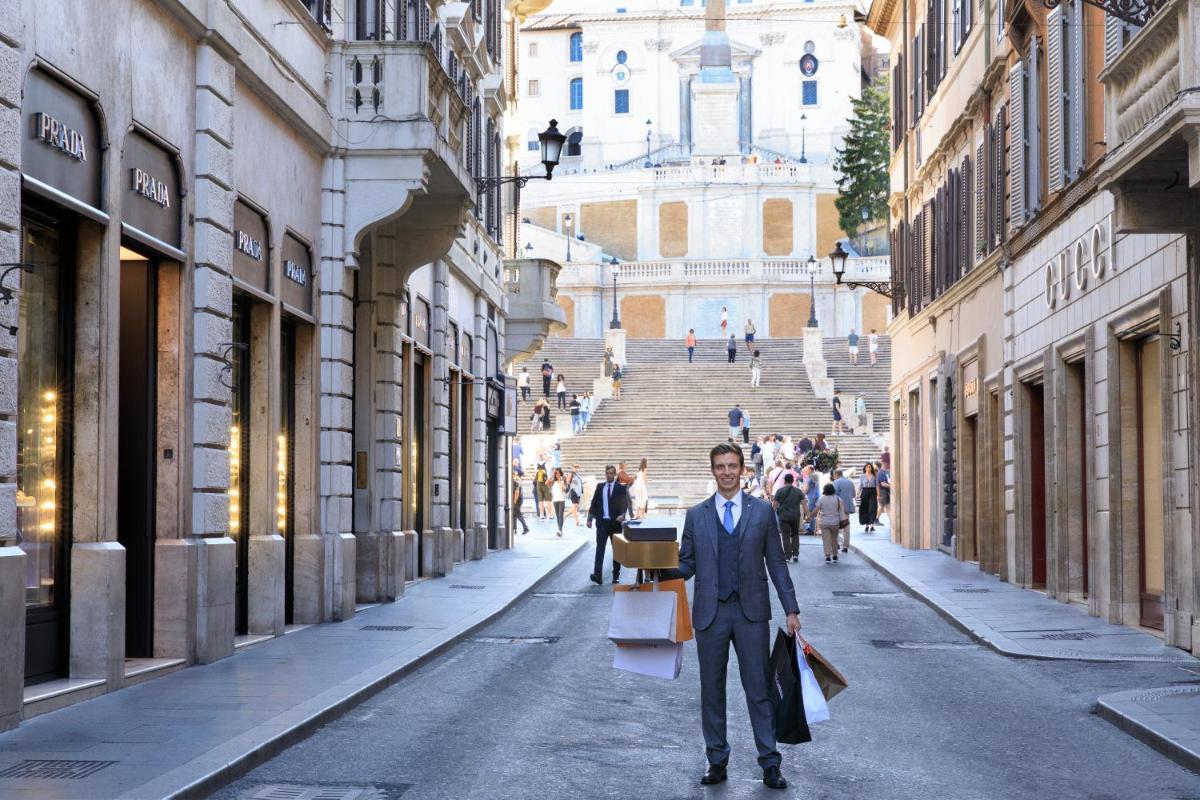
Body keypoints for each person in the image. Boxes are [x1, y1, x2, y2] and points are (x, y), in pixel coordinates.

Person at [661, 442, 800, 790]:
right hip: (711, 615)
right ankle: (717, 761)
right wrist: (657, 570)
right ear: (713, 471)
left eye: (732, 465)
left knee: (759, 690)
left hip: (752, 614)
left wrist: (791, 608)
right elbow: (688, 563)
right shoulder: (696, 515)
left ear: (742, 469)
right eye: (720, 466)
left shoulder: (763, 512)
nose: (726, 472)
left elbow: (777, 562)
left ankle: (770, 763)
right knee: (712, 691)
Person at [586, 464, 629, 584]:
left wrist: (622, 515)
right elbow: (594, 503)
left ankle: (616, 575)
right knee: (600, 549)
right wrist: (589, 519)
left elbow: (624, 503)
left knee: (617, 551)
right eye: (607, 473)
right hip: (602, 524)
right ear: (605, 474)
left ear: (614, 475)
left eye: (611, 473)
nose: (609, 475)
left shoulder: (620, 488)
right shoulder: (600, 487)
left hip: (615, 524)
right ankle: (597, 575)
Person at [772, 472, 805, 563]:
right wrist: (808, 514)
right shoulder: (798, 491)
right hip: (795, 517)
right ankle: (795, 555)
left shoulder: (779, 491)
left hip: (783, 517)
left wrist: (770, 515)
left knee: (785, 536)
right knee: (795, 535)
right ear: (793, 480)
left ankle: (787, 556)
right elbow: (804, 503)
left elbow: (774, 505)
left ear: (784, 481)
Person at [814, 483, 847, 563]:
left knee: (826, 540)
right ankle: (835, 556)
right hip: (835, 523)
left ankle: (828, 556)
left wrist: (809, 516)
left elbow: (816, 510)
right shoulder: (838, 499)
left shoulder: (821, 499)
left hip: (825, 522)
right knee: (834, 539)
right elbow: (843, 510)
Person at [832, 469, 857, 551]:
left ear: (836, 475)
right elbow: (854, 495)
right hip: (848, 507)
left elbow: (833, 495)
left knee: (836, 525)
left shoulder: (836, 482)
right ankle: (845, 546)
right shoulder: (850, 482)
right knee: (846, 526)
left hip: (838, 507)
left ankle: (837, 543)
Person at [858, 462, 879, 534]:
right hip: (865, 492)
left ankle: (872, 525)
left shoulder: (875, 476)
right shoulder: (862, 476)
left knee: (872, 508)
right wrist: (857, 494)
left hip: (873, 492)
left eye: (870, 467)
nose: (869, 468)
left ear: (872, 468)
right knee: (865, 508)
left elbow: (877, 486)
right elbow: (860, 486)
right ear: (865, 468)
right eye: (867, 467)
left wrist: (878, 495)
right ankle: (867, 525)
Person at [511, 465, 530, 535]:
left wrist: (514, 501)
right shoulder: (514, 481)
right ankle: (514, 529)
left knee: (518, 514)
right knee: (514, 514)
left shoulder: (515, 481)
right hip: (517, 499)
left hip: (517, 500)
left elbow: (517, 492)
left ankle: (526, 528)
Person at [802, 465, 820, 535]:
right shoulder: (811, 476)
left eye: (806, 469)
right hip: (812, 496)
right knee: (811, 512)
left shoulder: (813, 475)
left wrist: (804, 492)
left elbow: (815, 486)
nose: (805, 471)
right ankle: (811, 527)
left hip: (813, 496)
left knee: (811, 512)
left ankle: (811, 529)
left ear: (810, 469)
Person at [550, 467, 568, 536]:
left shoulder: (563, 481)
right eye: (556, 473)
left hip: (561, 500)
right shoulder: (553, 481)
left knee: (561, 515)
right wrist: (552, 476)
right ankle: (560, 529)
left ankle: (560, 530)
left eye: (558, 473)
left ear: (560, 473)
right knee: (557, 516)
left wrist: (560, 481)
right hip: (555, 500)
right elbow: (546, 483)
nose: (557, 474)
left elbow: (563, 490)